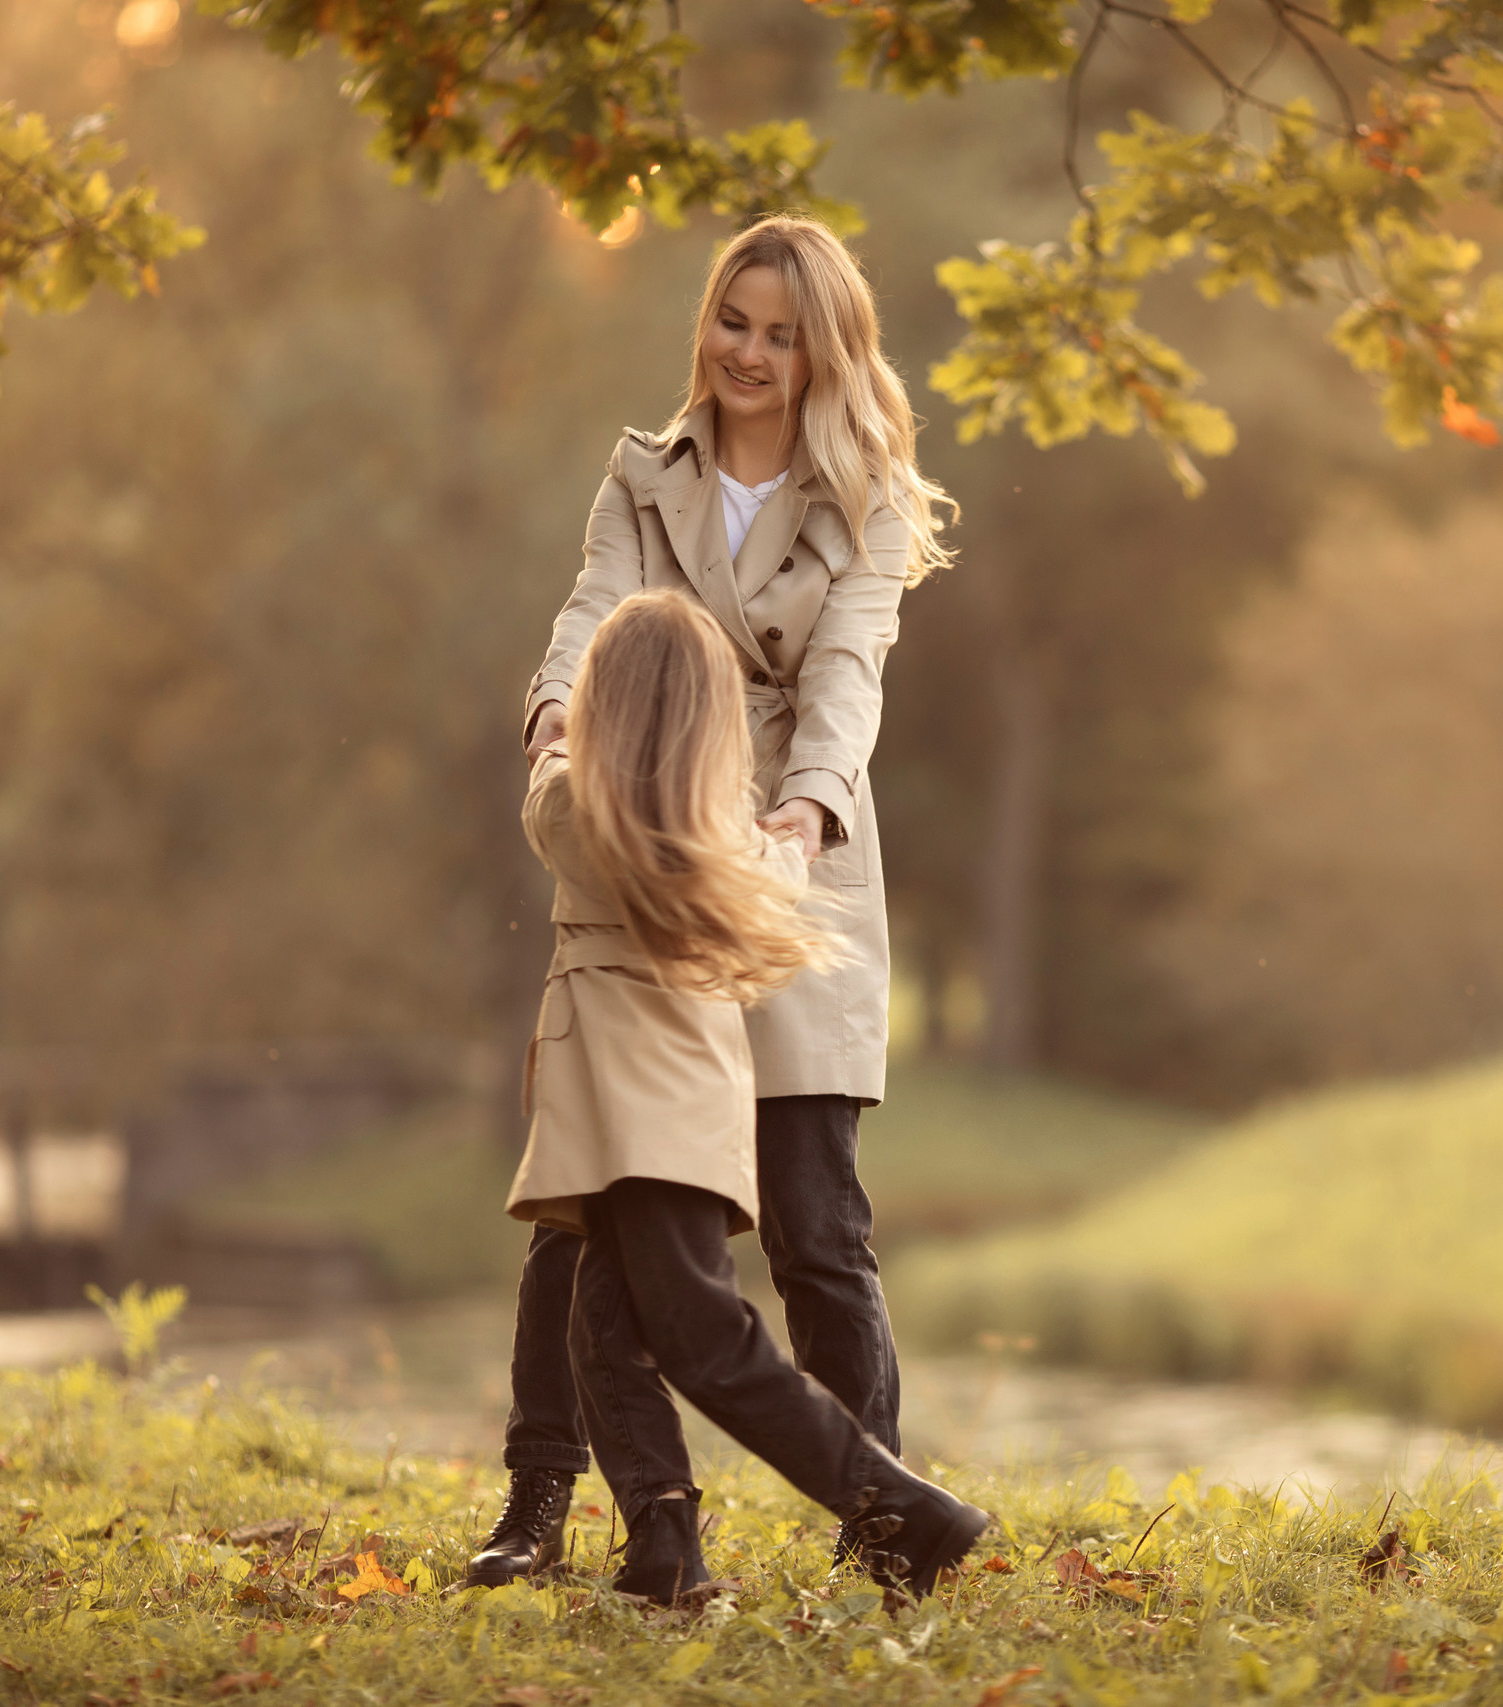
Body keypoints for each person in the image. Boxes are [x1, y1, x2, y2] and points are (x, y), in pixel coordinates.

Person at [469, 212, 954, 1587]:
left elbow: (848, 673)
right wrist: (558, 724)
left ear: (823, 350)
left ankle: (884, 1523)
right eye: (734, 320)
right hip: (647, 835)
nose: (749, 350)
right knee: (594, 1197)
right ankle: (537, 1498)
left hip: (796, 862)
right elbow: (589, 611)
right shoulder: (642, 475)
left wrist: (802, 810)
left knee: (814, 1215)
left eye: (780, 332)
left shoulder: (869, 502)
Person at [503, 590, 987, 1603]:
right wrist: (799, 835)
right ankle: (663, 1548)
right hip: (680, 1109)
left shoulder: (575, 808)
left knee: (704, 1339)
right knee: (604, 1327)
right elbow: (774, 865)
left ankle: (895, 1503)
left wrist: (551, 722)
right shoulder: (724, 830)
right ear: (707, 720)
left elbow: (547, 776)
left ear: (608, 707)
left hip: (630, 1116)